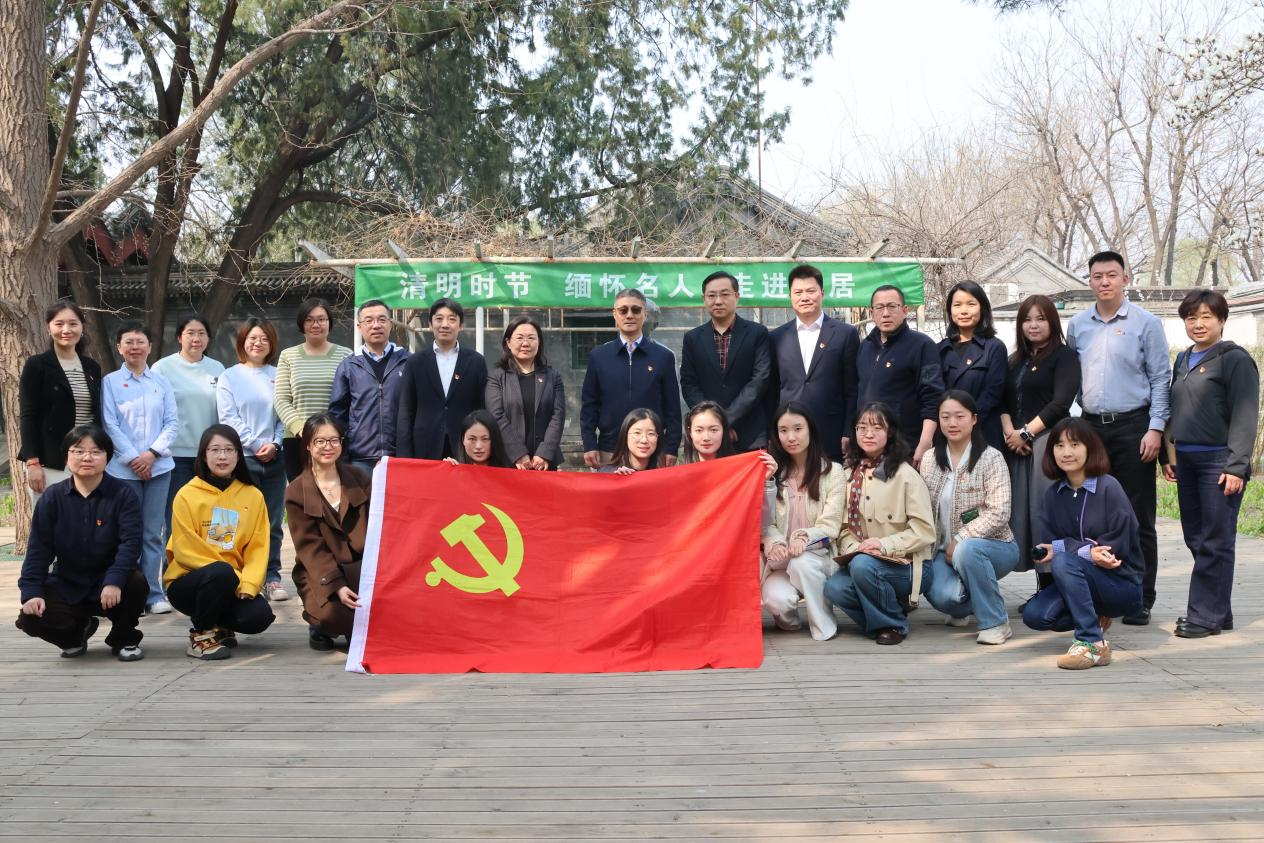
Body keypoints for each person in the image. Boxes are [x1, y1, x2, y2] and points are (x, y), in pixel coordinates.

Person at [1066, 250, 1170, 625]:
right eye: (1097, 276)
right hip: (1092, 428)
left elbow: (1160, 378)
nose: (1104, 282)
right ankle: (1102, 593)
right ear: (1089, 281)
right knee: (1092, 513)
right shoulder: (1078, 325)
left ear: (1125, 279)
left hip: (1134, 427)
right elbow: (1072, 379)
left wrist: (1155, 428)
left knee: (1137, 514)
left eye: (1111, 275)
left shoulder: (1146, 323)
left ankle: (1141, 595)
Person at [1162, 290, 1259, 638]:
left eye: (1206, 317)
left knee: (1216, 540)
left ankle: (1204, 617)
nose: (1198, 324)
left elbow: (1245, 415)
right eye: (1191, 317)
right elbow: (1175, 409)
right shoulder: (1183, 358)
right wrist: (1168, 456)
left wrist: (1236, 466)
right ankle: (1219, 612)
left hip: (1218, 461)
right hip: (1186, 460)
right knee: (1196, 537)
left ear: (1221, 320)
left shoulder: (1234, 359)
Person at [16, 424, 147, 662]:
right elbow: (38, 550)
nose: (87, 457)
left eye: (96, 451)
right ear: (67, 456)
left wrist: (114, 580)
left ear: (107, 457)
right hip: (67, 582)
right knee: (31, 617)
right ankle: (76, 634)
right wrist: (31, 592)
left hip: (110, 582)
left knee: (136, 582)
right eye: (78, 451)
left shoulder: (123, 494)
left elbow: (130, 544)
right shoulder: (52, 497)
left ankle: (124, 638)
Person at [1021, 418, 1143, 669]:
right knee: (1036, 615)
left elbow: (1116, 547)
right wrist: (1085, 551)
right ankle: (1094, 617)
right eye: (1059, 445)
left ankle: (1092, 643)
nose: (1066, 452)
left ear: (1090, 448)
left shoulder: (1109, 487)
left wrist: (1068, 549)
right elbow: (1051, 546)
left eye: (1075, 444)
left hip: (1121, 583)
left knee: (1065, 560)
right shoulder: (1053, 495)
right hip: (1077, 580)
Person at [823, 403, 935, 645]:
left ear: (890, 431)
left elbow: (925, 531)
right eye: (862, 427)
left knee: (863, 566)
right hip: (864, 562)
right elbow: (843, 528)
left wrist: (884, 545)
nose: (868, 434)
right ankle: (888, 611)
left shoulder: (906, 475)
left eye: (877, 427)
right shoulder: (849, 474)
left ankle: (893, 625)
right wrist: (857, 548)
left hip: (909, 565)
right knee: (834, 587)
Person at [165, 424, 276, 660]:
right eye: (215, 450)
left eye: (229, 449)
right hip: (189, 582)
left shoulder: (252, 495)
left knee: (258, 617)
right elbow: (185, 550)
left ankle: (220, 627)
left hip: (232, 582)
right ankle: (201, 635)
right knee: (220, 573)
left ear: (238, 454)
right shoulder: (186, 494)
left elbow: (258, 547)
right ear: (204, 455)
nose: (222, 456)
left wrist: (249, 583)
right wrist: (231, 575)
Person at [919, 391, 1020, 644]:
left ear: (974, 419)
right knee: (947, 598)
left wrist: (962, 538)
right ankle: (968, 604)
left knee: (968, 550)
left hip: (995, 546)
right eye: (945, 417)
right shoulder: (930, 459)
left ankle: (996, 622)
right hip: (942, 552)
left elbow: (1000, 511)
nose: (952, 423)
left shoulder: (991, 458)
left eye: (959, 416)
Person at [1000, 295, 1080, 582]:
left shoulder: (1064, 356)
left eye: (1041, 319)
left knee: (1045, 512)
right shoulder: (1015, 360)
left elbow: (1061, 403)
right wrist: (1010, 433)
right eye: (1027, 320)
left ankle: (1054, 585)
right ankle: (1040, 584)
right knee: (1022, 515)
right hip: (1016, 447)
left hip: (1048, 443)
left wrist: (1026, 433)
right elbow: (1002, 401)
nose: (1033, 325)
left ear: (1053, 322)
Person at [101, 322, 179, 615]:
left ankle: (153, 594)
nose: (135, 347)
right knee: (127, 532)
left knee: (152, 533)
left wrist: (151, 454)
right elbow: (109, 424)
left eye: (140, 341)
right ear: (119, 347)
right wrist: (135, 458)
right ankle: (130, 594)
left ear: (150, 346)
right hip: (123, 470)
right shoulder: (110, 382)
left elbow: (172, 422)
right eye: (128, 342)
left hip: (159, 467)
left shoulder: (161, 382)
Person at [217, 318, 289, 602]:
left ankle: (271, 577)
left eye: (264, 339)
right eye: (252, 338)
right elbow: (228, 418)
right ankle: (235, 576)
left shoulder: (278, 374)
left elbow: (284, 412)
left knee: (272, 522)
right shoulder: (229, 376)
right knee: (234, 520)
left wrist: (276, 443)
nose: (258, 343)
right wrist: (257, 444)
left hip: (275, 459)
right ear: (242, 342)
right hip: (241, 460)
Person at [759, 402, 845, 641]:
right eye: (783, 430)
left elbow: (831, 524)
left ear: (810, 430)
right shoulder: (775, 473)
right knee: (777, 600)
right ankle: (791, 622)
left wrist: (804, 538)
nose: (791, 437)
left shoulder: (833, 472)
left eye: (798, 429)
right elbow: (766, 522)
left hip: (818, 556)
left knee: (802, 563)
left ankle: (823, 625)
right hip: (782, 561)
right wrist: (775, 542)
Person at [285, 414, 372, 651]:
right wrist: (337, 586)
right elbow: (310, 548)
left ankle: (351, 627)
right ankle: (320, 627)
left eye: (334, 440)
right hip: (320, 570)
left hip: (360, 568)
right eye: (320, 441)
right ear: (308, 445)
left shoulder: (359, 478)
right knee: (333, 615)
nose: (328, 447)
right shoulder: (296, 491)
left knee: (370, 621)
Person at [582, 288, 682, 468]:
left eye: (636, 310)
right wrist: (589, 444)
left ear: (645, 314)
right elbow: (590, 405)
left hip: (651, 452)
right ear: (615, 314)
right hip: (610, 451)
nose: (629, 315)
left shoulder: (663, 357)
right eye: (623, 310)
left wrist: (672, 447)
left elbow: (672, 408)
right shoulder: (599, 356)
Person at [768, 264, 859, 462]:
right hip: (790, 437)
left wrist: (848, 431)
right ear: (790, 296)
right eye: (798, 292)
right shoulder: (776, 337)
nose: (804, 297)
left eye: (810, 291)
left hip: (831, 433)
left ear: (822, 293)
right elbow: (772, 390)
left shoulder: (845, 334)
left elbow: (852, 389)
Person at [18, 300, 103, 504]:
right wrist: (32, 463)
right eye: (59, 324)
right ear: (49, 328)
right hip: (49, 459)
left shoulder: (91, 367)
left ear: (82, 327)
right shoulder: (37, 365)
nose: (66, 330)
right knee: (50, 517)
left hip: (87, 456)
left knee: (86, 516)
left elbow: (95, 414)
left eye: (73, 324)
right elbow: (28, 416)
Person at [680, 271, 773, 451]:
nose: (718, 301)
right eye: (711, 296)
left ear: (737, 296)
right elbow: (689, 384)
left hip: (750, 433)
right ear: (704, 299)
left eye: (724, 294)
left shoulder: (757, 333)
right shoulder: (692, 338)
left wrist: (726, 420)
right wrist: (712, 422)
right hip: (707, 436)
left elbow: (759, 380)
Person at [153, 315, 225, 534]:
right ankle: (175, 557)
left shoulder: (218, 368)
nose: (196, 338)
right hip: (176, 456)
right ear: (179, 337)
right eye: (190, 333)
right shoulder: (162, 368)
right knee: (178, 518)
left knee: (216, 518)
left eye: (202, 333)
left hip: (212, 456)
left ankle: (218, 556)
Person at [856, 285, 944, 465]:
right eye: (879, 307)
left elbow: (933, 397)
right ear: (872, 313)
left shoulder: (922, 345)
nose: (885, 313)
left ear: (904, 311)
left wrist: (925, 442)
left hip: (905, 447)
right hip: (869, 447)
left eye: (892, 306)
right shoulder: (865, 346)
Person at [396, 298, 488, 460]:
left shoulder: (476, 361)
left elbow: (482, 408)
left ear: (461, 325)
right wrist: (404, 458)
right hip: (424, 446)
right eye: (439, 319)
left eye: (452, 319)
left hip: (464, 446)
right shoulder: (415, 362)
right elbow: (406, 411)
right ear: (430, 325)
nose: (445, 324)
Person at [328, 299, 410, 477]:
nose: (376, 325)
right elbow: (337, 414)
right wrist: (344, 453)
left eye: (382, 319)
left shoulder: (408, 361)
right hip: (360, 457)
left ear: (390, 324)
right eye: (369, 320)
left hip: (401, 456)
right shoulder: (349, 366)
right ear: (359, 327)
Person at [274, 297, 352, 481]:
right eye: (309, 320)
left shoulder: (346, 355)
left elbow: (350, 399)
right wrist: (302, 429)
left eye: (321, 319)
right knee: (301, 494)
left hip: (334, 441)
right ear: (302, 323)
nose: (316, 324)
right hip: (298, 440)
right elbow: (281, 399)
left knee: (335, 492)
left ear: (329, 322)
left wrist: (331, 433)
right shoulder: (288, 356)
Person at [485, 316, 565, 470]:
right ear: (508, 342)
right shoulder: (497, 377)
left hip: (544, 463)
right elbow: (496, 416)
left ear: (539, 342)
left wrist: (544, 453)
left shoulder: (552, 377)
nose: (526, 343)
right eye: (520, 338)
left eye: (531, 338)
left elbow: (558, 417)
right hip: (508, 461)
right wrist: (517, 453)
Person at [936, 281, 1007, 451]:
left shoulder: (994, 347)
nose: (964, 311)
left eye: (971, 304)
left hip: (983, 431)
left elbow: (993, 393)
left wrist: (966, 420)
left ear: (982, 308)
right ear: (950, 310)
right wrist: (949, 421)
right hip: (948, 434)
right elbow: (934, 392)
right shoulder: (940, 349)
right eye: (957, 305)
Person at [600, 408, 668, 474]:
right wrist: (617, 478)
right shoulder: (608, 473)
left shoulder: (663, 474)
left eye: (651, 433)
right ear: (625, 436)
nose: (644, 440)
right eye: (637, 433)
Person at [444, 409, 515, 468]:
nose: (478, 446)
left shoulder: (510, 473)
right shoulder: (455, 470)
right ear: (463, 440)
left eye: (485, 439)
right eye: (472, 439)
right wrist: (446, 470)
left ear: (495, 439)